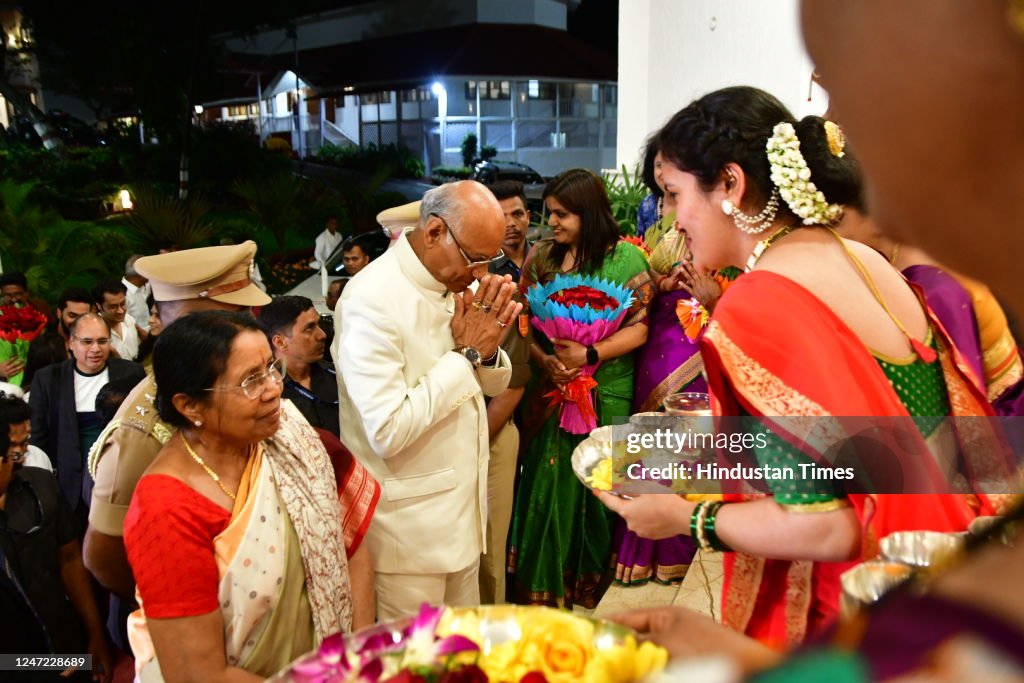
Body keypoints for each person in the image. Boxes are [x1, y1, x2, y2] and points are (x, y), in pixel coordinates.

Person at [597, 87, 1003, 649]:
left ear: (732, 185)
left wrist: (684, 518)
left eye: (673, 195)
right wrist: (673, 453)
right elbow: (864, 441)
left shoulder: (763, 299)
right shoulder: (862, 261)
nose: (669, 222)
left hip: (853, 611)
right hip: (934, 572)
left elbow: (826, 521)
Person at [83, 240, 378, 641]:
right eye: (234, 316)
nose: (250, 328)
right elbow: (105, 557)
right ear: (186, 320)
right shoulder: (144, 429)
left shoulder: (259, 395)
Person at [124, 311, 353, 680]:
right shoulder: (166, 509)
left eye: (270, 369)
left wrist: (350, 662)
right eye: (250, 381)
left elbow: (353, 546)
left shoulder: (286, 437)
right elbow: (198, 675)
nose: (274, 388)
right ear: (189, 406)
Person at [336, 180, 520, 620]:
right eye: (474, 257)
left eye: (487, 260)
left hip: (460, 517)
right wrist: (467, 356)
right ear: (434, 232)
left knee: (460, 657)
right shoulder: (370, 300)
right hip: (407, 536)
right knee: (415, 665)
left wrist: (488, 352)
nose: (479, 273)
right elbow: (387, 430)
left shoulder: (452, 283)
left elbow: (492, 385)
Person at [507, 168, 654, 608]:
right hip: (550, 391)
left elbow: (640, 329)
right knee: (544, 485)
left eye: (562, 214)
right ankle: (540, 590)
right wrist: (546, 359)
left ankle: (589, 590)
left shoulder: (627, 260)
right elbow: (522, 321)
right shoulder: (542, 258)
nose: (551, 222)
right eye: (549, 213)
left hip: (604, 392)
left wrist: (591, 356)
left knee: (598, 492)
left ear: (589, 214)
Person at [837, 208, 1024, 416]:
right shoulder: (896, 256)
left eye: (837, 219)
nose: (831, 236)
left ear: (869, 208)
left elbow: (962, 401)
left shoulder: (931, 286)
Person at [0, 395, 113, 682]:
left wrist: (96, 635)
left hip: (64, 643)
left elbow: (71, 559)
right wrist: (39, 666)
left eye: (24, 445)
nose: (21, 456)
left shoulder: (42, 486)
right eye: (12, 450)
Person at [29, 314, 145, 520]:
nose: (95, 349)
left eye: (102, 341)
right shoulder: (48, 379)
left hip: (119, 479)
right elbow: (38, 436)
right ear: (71, 343)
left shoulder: (131, 373)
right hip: (66, 483)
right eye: (87, 342)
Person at [478, 180, 534, 604]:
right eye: (502, 217)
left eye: (517, 214)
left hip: (548, 399)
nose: (511, 224)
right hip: (502, 406)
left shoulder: (551, 259)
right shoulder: (485, 275)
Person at [258, 295, 340, 437]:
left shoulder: (337, 375)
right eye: (309, 328)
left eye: (318, 325)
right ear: (280, 342)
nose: (322, 335)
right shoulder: (267, 393)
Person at [93, 279, 147, 362]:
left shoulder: (129, 320)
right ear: (99, 305)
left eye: (122, 304)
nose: (120, 311)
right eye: (113, 307)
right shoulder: (94, 331)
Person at [636, 138, 668, 238]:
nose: (665, 172)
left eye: (671, 165)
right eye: (659, 165)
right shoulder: (647, 205)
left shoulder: (693, 206)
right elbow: (640, 248)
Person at [122, 254, 152, 332]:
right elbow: (125, 325)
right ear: (141, 274)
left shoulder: (145, 286)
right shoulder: (123, 295)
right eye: (149, 271)